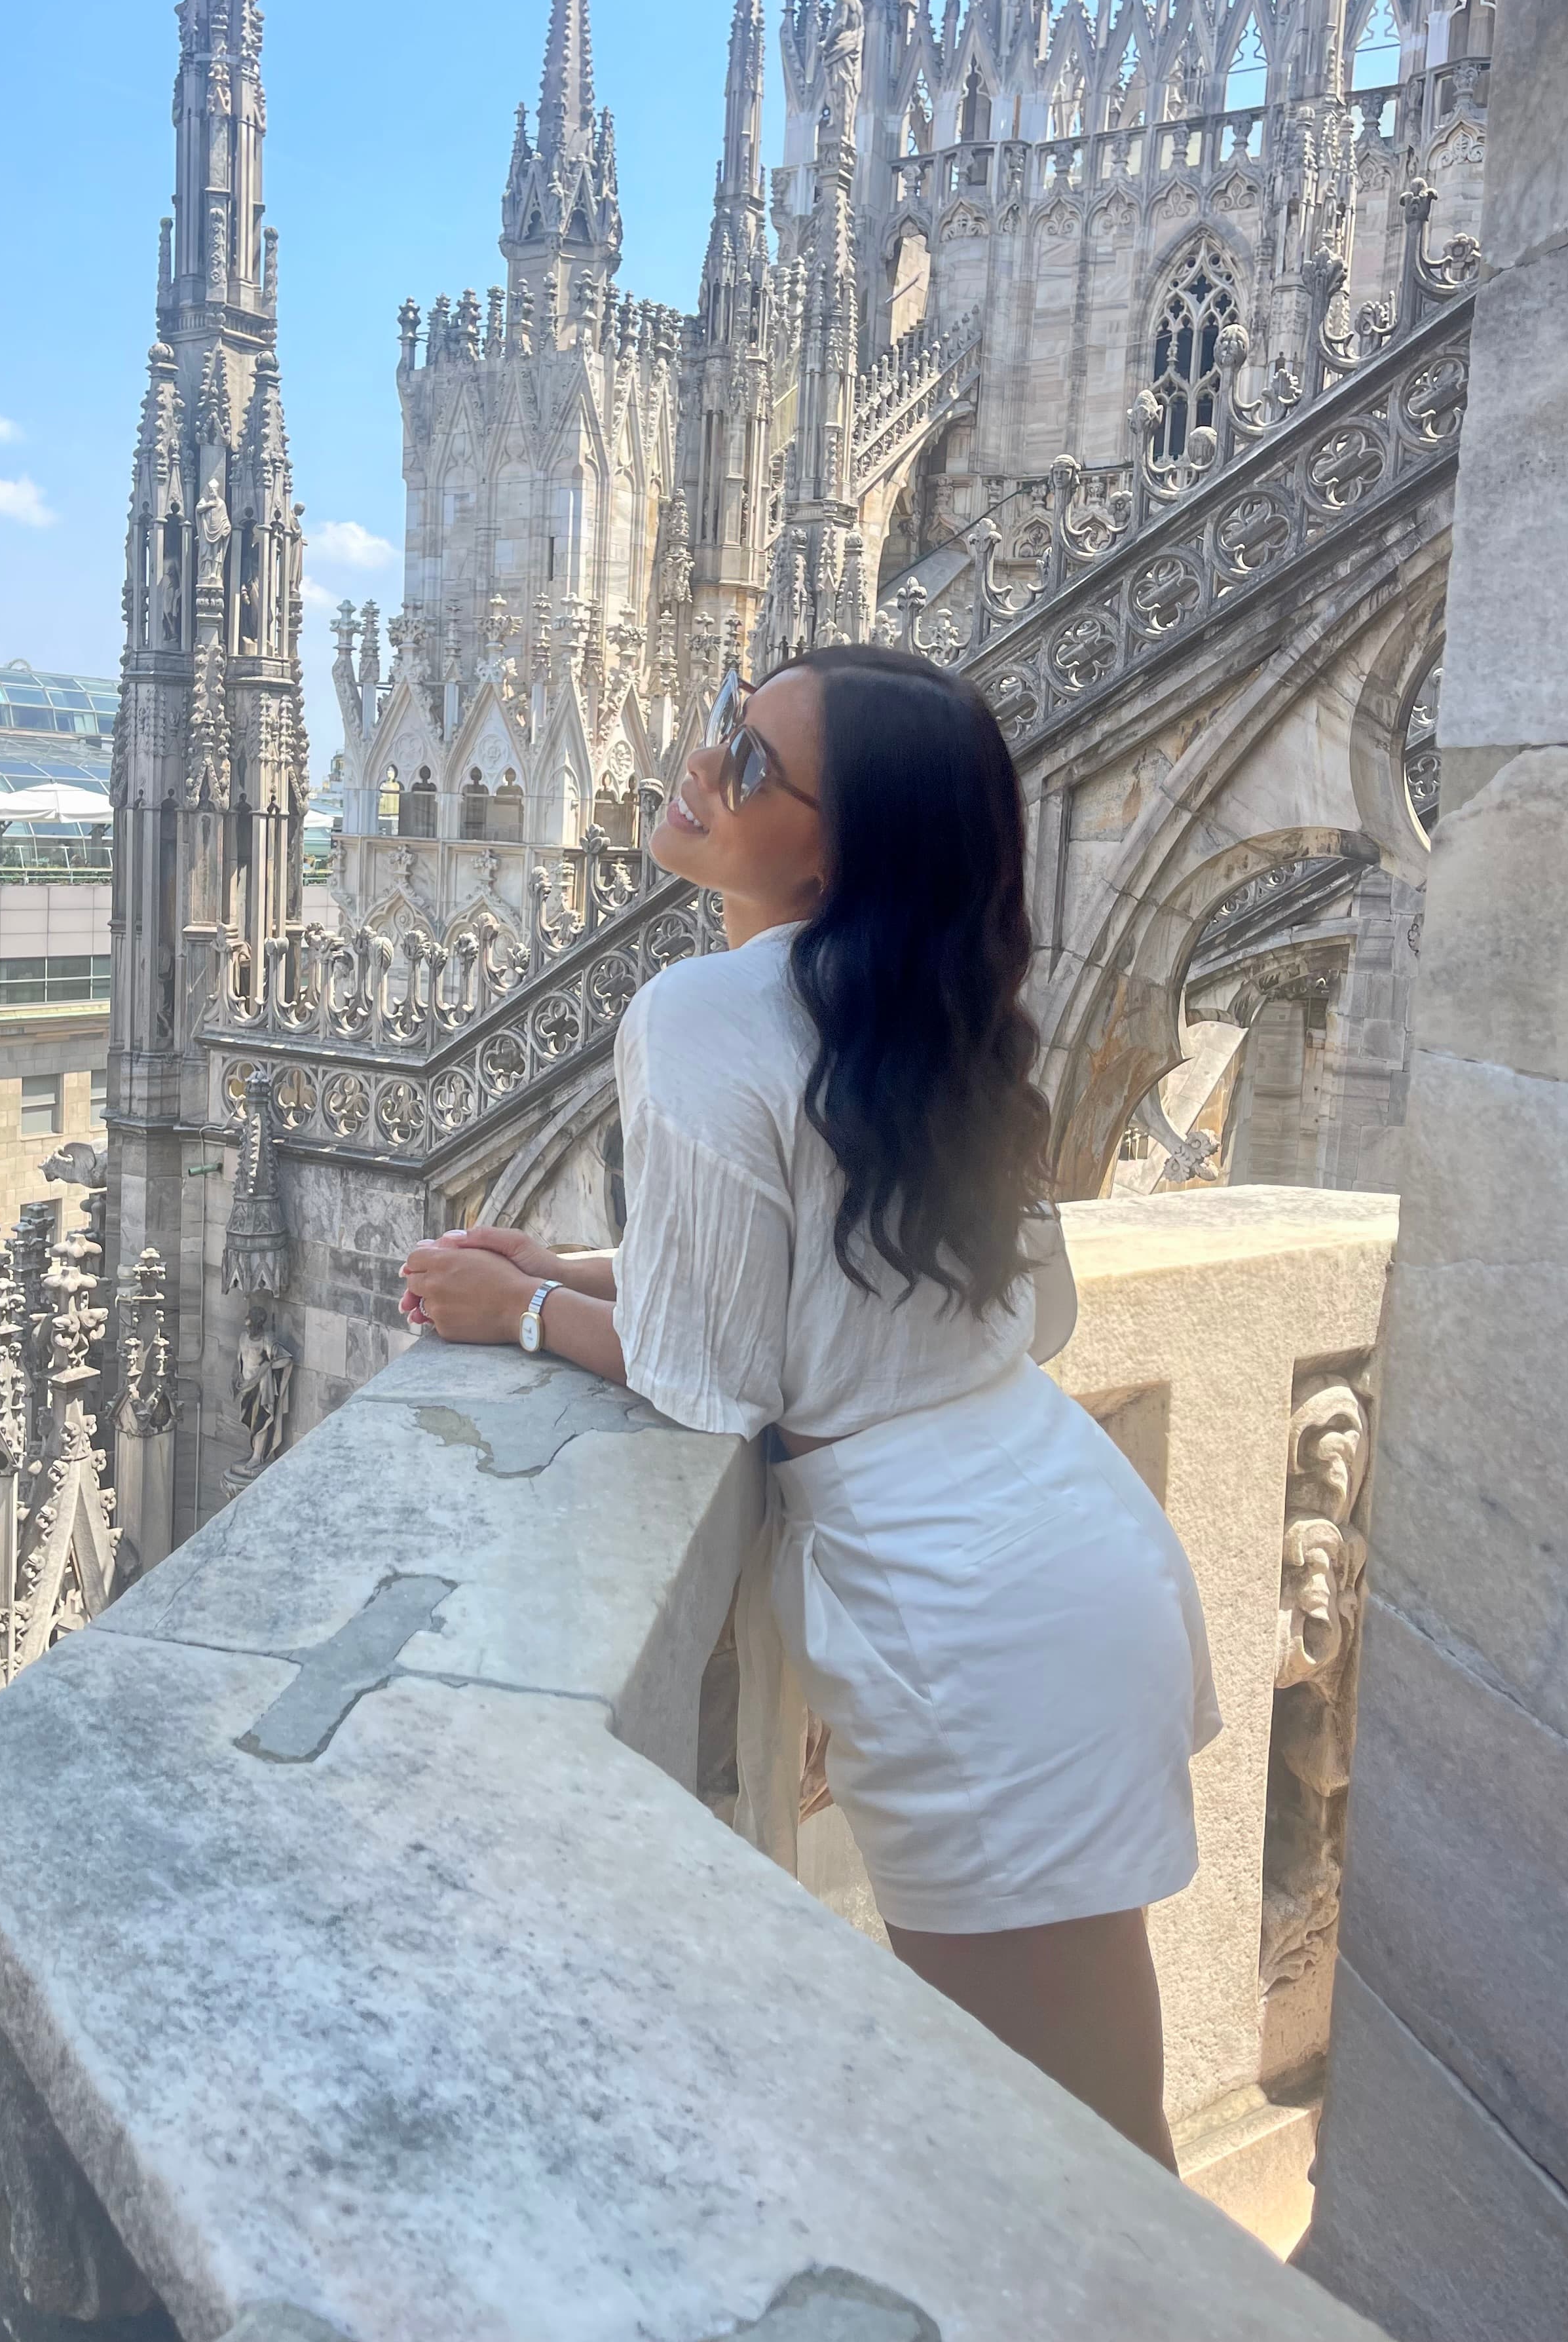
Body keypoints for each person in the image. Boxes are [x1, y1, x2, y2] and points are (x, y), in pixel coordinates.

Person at [401, 646, 1219, 2166]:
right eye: (726, 725)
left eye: (754, 765)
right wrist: (584, 1260)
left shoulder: (705, 1011)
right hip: (1069, 1549)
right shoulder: (930, 1004)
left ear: (836, 847)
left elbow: (718, 1377)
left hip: (954, 1625)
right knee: (1102, 2120)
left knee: (1055, 2159)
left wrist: (512, 1309)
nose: (702, 768)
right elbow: (956, 1292)